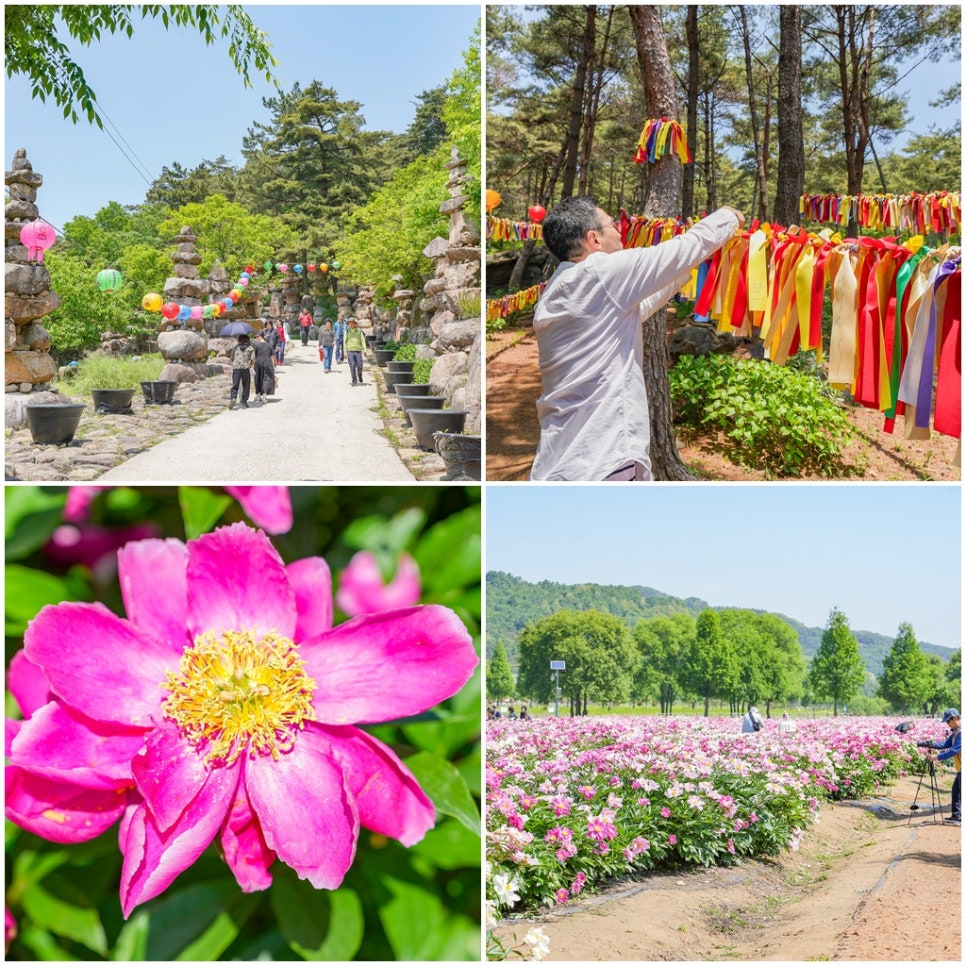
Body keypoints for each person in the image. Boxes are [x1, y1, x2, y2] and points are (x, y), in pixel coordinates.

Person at [531, 196, 744, 481]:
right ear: (593, 239)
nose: (620, 229)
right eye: (612, 224)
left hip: (565, 460)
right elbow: (681, 249)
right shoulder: (600, 272)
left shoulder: (561, 287)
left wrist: (688, 271)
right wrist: (728, 217)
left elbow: (637, 308)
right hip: (602, 460)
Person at [922, 708, 961, 825]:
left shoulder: (962, 733)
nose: (947, 724)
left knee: (959, 792)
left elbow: (953, 751)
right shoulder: (956, 732)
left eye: (948, 721)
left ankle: (958, 816)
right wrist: (929, 743)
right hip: (961, 768)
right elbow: (944, 744)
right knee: (956, 791)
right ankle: (956, 816)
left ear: (955, 718)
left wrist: (935, 757)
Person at [228, 334, 254, 409]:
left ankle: (233, 398)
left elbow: (232, 358)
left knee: (235, 385)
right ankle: (244, 401)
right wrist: (251, 366)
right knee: (246, 385)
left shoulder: (235, 348)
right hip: (245, 368)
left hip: (236, 368)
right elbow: (252, 359)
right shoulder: (250, 348)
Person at [252, 331, 275, 402]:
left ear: (260, 336)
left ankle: (258, 396)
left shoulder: (256, 345)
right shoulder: (269, 345)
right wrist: (273, 366)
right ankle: (264, 396)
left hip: (258, 363)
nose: (256, 338)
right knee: (266, 379)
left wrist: (252, 365)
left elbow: (253, 357)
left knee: (257, 379)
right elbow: (272, 356)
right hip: (267, 363)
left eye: (256, 337)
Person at [344, 317, 366, 386]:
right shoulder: (347, 332)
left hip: (358, 351)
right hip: (350, 351)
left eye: (351, 323)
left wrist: (364, 350)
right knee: (352, 366)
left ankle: (360, 376)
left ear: (355, 324)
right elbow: (344, 342)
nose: (350, 325)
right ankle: (354, 380)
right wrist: (345, 352)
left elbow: (362, 341)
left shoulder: (359, 331)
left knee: (360, 365)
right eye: (349, 324)